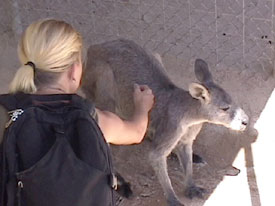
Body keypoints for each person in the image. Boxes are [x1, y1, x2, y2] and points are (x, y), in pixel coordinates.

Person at [0, 19, 154, 205]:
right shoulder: (92, 118)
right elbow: (136, 132)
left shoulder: (5, 115)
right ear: (74, 70)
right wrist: (142, 107)